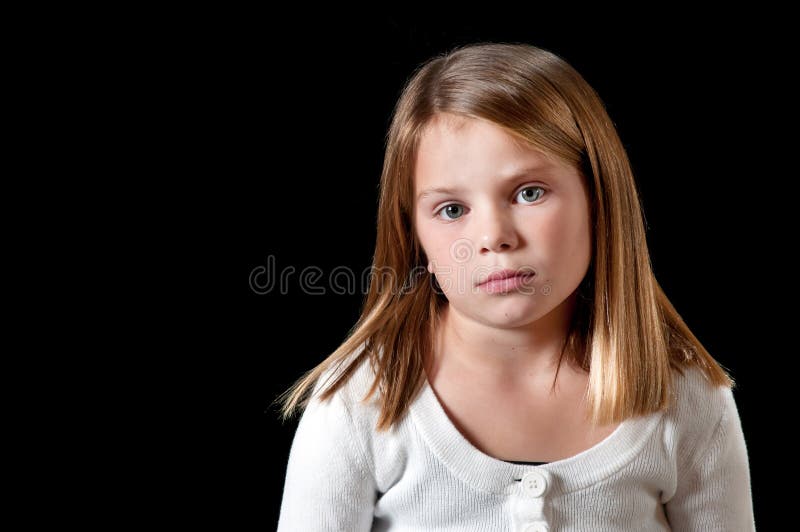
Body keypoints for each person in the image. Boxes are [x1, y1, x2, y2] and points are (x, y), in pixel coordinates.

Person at [276, 42, 755, 531]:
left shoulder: (686, 398)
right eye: (452, 210)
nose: (494, 238)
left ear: (598, 196)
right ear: (413, 232)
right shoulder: (363, 401)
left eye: (529, 193)